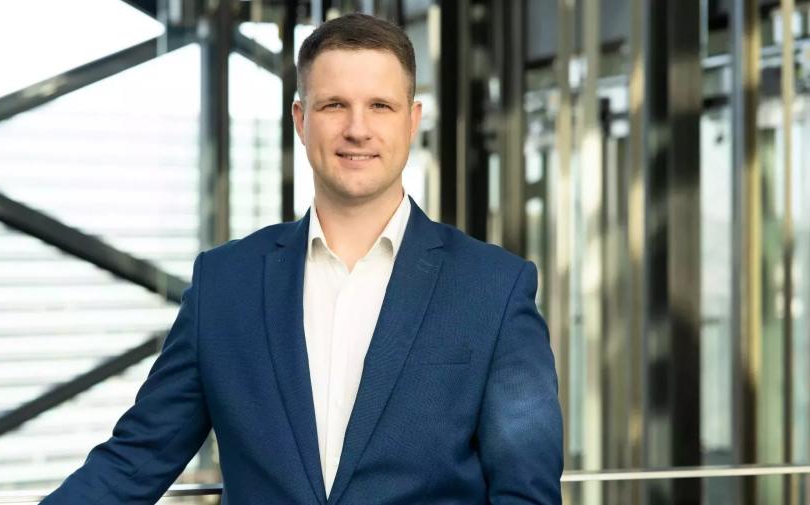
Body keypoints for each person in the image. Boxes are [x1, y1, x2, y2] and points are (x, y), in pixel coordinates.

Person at [42, 13, 562, 505]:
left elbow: (525, 493)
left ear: (412, 121)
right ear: (300, 119)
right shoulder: (224, 285)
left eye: (380, 106)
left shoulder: (493, 288)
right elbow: (135, 462)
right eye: (334, 105)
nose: (357, 129)